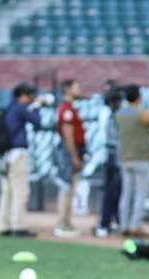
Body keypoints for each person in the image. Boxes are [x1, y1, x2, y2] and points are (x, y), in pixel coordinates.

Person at [116, 84, 149, 238]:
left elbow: (137, 126)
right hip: (140, 158)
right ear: (139, 97)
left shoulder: (119, 113)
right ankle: (135, 226)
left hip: (124, 158)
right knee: (141, 193)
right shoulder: (142, 113)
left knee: (126, 193)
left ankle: (124, 225)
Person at [0, 82, 42, 238]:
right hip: (18, 153)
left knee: (6, 192)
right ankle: (18, 225)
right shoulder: (20, 108)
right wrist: (36, 107)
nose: (31, 98)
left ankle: (4, 225)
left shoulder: (8, 108)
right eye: (29, 95)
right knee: (20, 191)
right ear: (22, 95)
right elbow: (36, 122)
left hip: (4, 154)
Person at [54, 79, 86, 238]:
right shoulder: (66, 110)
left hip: (72, 151)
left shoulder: (70, 108)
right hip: (69, 152)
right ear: (67, 90)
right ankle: (62, 223)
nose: (79, 89)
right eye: (76, 87)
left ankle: (66, 222)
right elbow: (68, 136)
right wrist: (74, 157)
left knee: (70, 188)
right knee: (67, 188)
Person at [94, 85, 122, 237]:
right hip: (112, 155)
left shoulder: (108, 113)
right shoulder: (110, 115)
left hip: (111, 155)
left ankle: (113, 221)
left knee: (115, 191)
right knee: (111, 191)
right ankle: (105, 222)